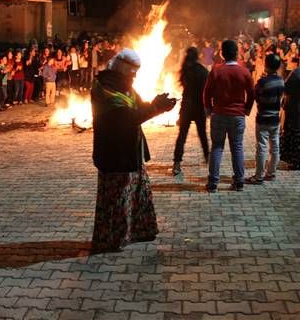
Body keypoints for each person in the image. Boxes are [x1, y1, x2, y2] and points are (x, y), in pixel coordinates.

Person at [90, 49, 176, 253]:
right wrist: (155, 108)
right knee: (117, 197)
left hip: (132, 151)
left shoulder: (125, 86)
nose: (135, 76)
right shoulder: (105, 89)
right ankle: (112, 238)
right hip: (115, 152)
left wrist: (157, 104)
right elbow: (128, 118)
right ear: (122, 68)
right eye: (132, 71)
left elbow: (139, 108)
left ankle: (140, 231)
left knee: (139, 191)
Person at [203, 40, 254, 192]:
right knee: (237, 147)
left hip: (219, 114)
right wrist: (247, 109)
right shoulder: (244, 71)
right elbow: (252, 93)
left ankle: (213, 183)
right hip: (237, 115)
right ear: (237, 53)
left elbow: (206, 92)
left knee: (217, 147)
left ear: (222, 54)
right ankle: (239, 181)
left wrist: (208, 109)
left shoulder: (216, 71)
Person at [172, 47, 209, 178]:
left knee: (182, 136)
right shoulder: (203, 71)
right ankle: (208, 158)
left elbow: (184, 87)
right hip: (199, 107)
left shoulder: (185, 70)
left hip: (187, 107)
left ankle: (176, 164)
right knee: (202, 134)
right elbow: (207, 90)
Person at [251, 53, 284, 184]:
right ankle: (271, 173)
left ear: (266, 65)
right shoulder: (281, 80)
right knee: (275, 146)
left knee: (262, 147)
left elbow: (256, 96)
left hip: (263, 117)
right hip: (275, 117)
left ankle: (259, 176)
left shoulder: (262, 82)